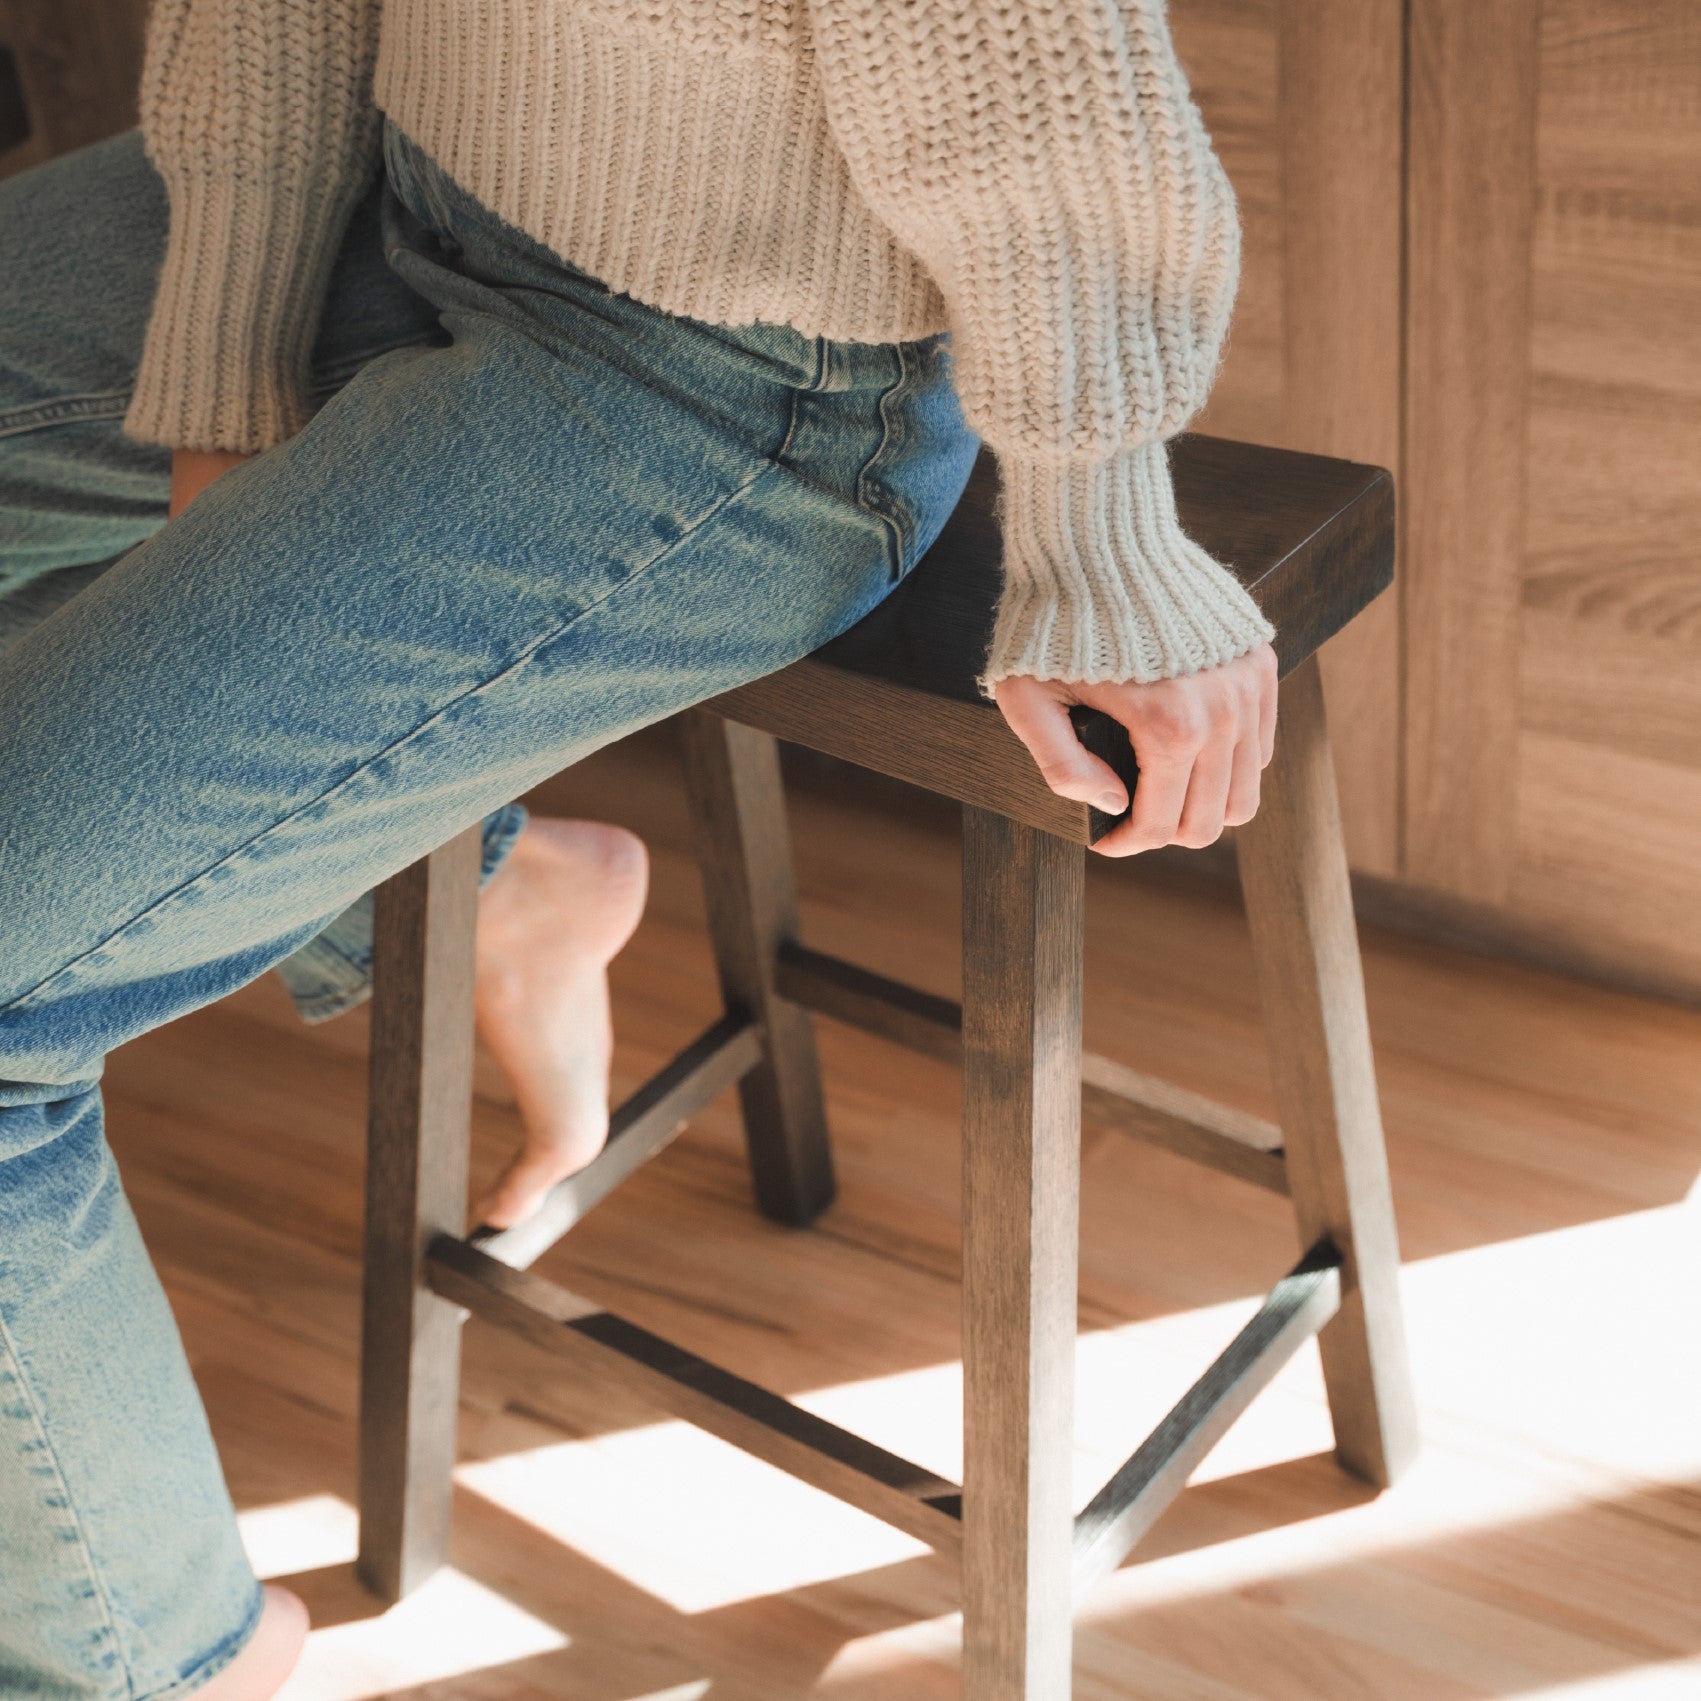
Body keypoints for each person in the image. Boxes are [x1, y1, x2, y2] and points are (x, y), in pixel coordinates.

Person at [0, 0, 1279, 1693]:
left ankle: (150, 1663)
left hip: (739, 365)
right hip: (404, 190)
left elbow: (1031, 102)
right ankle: (487, 882)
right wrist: (225, 353)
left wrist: (1102, 514)